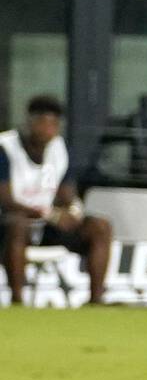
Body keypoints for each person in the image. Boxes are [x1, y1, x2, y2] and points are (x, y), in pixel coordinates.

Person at [1, 95, 113, 306]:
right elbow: (6, 200)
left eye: (54, 123)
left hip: (46, 226)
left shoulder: (59, 149)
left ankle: (96, 300)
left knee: (100, 226)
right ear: (30, 122)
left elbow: (67, 195)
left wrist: (73, 211)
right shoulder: (5, 148)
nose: (49, 129)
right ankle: (17, 301)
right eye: (43, 122)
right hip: (9, 225)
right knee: (17, 225)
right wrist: (51, 214)